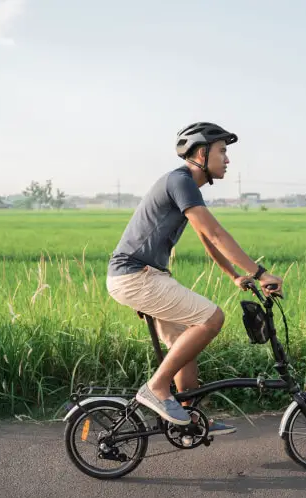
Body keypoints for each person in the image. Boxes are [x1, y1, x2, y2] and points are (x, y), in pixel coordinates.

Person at [106, 122, 284, 434]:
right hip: (136, 275)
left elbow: (205, 237)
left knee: (184, 345)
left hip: (141, 276)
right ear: (201, 153)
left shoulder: (184, 185)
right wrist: (260, 272)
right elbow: (215, 233)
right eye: (222, 152)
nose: (227, 160)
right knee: (212, 319)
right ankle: (157, 388)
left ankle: (187, 421)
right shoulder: (181, 180)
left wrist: (233, 275)